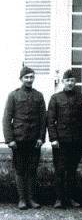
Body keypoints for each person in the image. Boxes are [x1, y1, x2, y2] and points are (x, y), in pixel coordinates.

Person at [3, 67, 45, 209]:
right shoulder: (13, 95)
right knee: (20, 170)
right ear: (21, 79)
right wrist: (10, 140)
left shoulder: (38, 96)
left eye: (31, 77)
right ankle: (22, 200)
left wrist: (41, 138)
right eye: (26, 77)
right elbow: (6, 119)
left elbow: (42, 119)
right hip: (19, 139)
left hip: (34, 140)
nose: (29, 80)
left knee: (32, 169)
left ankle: (31, 199)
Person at [47, 69, 82, 208]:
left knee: (72, 171)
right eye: (67, 80)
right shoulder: (55, 98)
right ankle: (59, 199)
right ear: (63, 82)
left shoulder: (81, 98)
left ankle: (70, 198)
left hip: (76, 141)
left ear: (75, 82)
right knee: (59, 170)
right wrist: (53, 138)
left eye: (72, 81)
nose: (70, 83)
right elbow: (50, 120)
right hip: (60, 141)